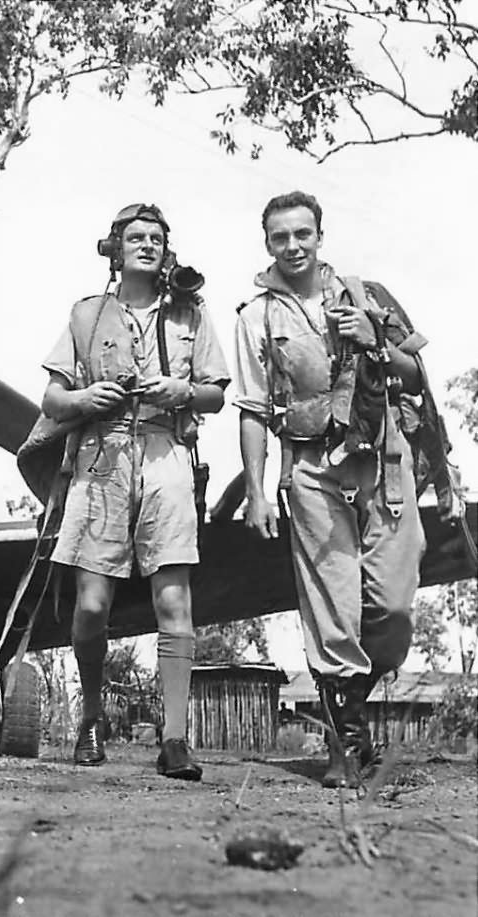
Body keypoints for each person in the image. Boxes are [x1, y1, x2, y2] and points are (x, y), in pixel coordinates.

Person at [234, 191, 427, 788]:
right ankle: (346, 743)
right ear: (267, 244)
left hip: (381, 460)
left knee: (392, 608)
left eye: (303, 234)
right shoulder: (256, 317)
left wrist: (376, 339)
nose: (293, 246)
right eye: (280, 237)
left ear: (321, 236)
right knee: (331, 608)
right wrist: (259, 491)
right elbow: (250, 409)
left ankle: (347, 709)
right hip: (311, 467)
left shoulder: (365, 295)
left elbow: (417, 375)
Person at [39, 203, 229, 781]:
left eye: (156, 238)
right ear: (115, 248)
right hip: (101, 458)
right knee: (92, 605)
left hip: (165, 452)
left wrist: (182, 390)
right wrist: (83, 400)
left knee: (174, 602)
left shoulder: (190, 312)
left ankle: (174, 739)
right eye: (135, 237)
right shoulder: (88, 315)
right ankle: (91, 717)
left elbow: (217, 394)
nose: (146, 245)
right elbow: (52, 399)